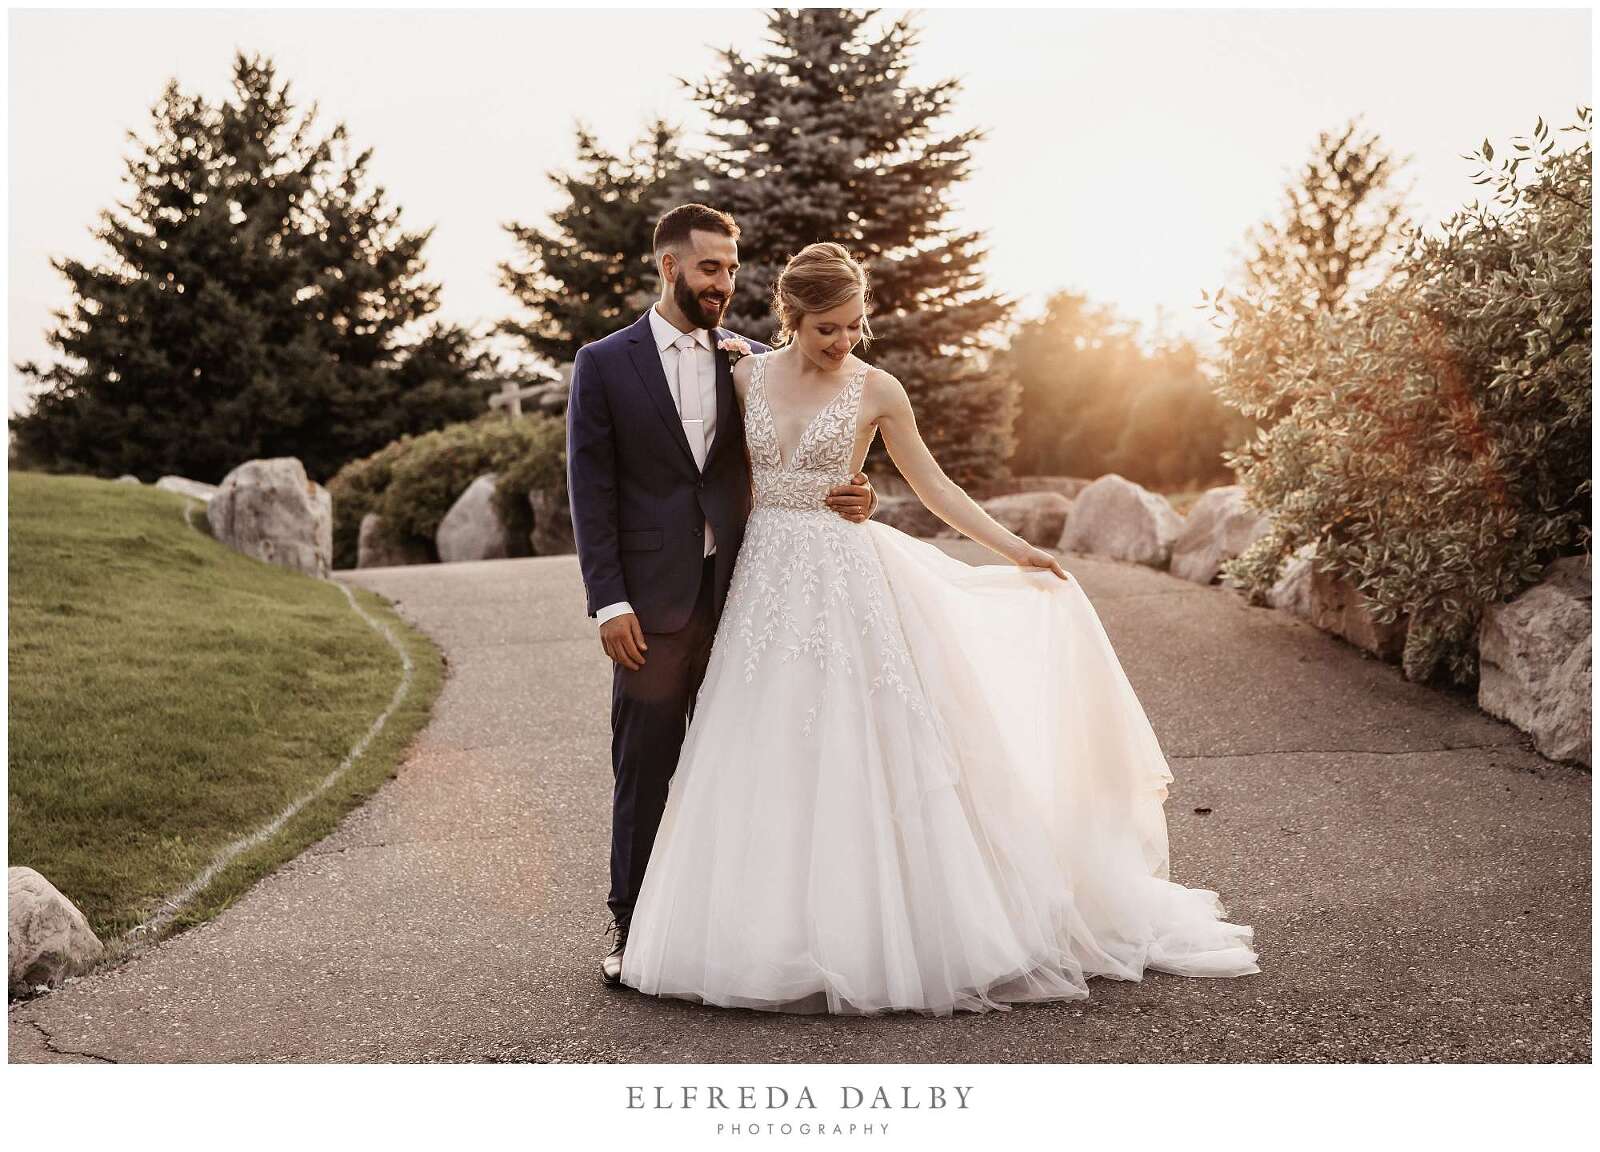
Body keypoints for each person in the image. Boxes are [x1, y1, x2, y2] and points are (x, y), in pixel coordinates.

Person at [618, 242, 1260, 1015]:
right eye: (827, 328)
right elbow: (713, 483)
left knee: (868, 744)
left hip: (845, 581)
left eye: (855, 326)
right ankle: (759, 940)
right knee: (762, 746)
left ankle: (889, 933)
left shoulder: (877, 389)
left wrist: (1015, 547)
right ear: (791, 318)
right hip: (764, 585)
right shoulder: (743, 376)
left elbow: (936, 484)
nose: (843, 342)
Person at [565, 206, 879, 986]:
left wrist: (858, 493)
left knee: (744, 763)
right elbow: (590, 492)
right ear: (669, 266)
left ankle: (741, 929)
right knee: (645, 763)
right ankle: (635, 927)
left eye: (733, 270)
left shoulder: (744, 361)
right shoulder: (604, 363)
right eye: (711, 269)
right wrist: (609, 602)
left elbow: (807, 437)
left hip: (747, 592)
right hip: (651, 604)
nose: (724, 284)